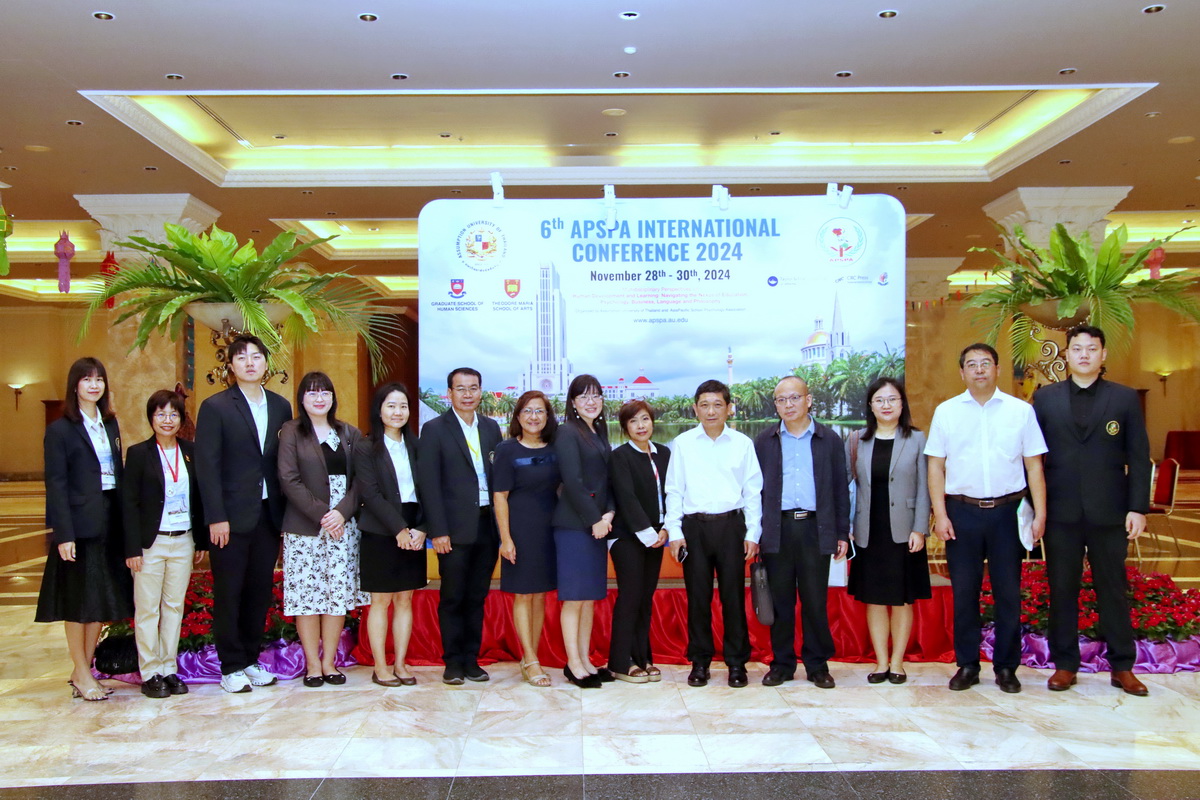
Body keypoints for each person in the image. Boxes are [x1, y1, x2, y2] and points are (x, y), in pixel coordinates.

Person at [1032, 325, 1151, 697]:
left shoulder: (1124, 398)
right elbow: (1032, 459)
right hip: (1060, 512)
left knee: (1113, 589)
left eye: (1091, 348)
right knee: (1062, 589)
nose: (1084, 354)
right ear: (1066, 354)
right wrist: (1035, 509)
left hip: (1109, 512)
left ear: (1103, 354)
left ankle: (1122, 666)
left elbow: (1139, 457)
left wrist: (1137, 507)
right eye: (1077, 348)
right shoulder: (1045, 399)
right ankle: (1065, 664)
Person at [926, 343, 1047, 694]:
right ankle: (967, 664)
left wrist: (1040, 514)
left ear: (997, 368)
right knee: (965, 592)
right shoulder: (946, 412)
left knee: (1008, 593)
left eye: (985, 363)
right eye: (971, 364)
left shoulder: (1020, 411)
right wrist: (940, 514)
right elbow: (935, 466)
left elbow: (1034, 466)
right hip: (961, 512)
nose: (979, 370)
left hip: (1008, 513)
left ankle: (1007, 667)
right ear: (962, 372)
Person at [195, 334, 292, 694]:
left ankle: (251, 659)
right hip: (230, 518)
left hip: (268, 514)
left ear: (266, 364)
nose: (250, 363)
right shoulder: (216, 406)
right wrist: (215, 516)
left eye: (256, 357)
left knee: (259, 591)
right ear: (231, 366)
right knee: (229, 591)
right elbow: (207, 467)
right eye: (241, 357)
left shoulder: (281, 406)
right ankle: (231, 665)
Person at [35, 357, 133, 701]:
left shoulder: (110, 424)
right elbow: (56, 484)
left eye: (99, 379)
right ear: (74, 385)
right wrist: (63, 534)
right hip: (79, 525)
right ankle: (80, 669)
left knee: (99, 600)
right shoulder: (60, 429)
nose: (94, 385)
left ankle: (84, 671)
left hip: (109, 519)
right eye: (87, 379)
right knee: (78, 602)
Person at [754, 376, 850, 689]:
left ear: (808, 400)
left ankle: (817, 664)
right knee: (780, 601)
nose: (788, 405)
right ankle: (782, 664)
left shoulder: (829, 439)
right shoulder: (764, 440)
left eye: (795, 398)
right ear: (776, 405)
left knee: (814, 600)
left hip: (814, 528)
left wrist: (842, 532)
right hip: (777, 528)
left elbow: (840, 488)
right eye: (781, 400)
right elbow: (753, 491)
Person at [665, 379, 762, 689]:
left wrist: (753, 532)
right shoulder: (683, 443)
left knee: (733, 597)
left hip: (732, 527)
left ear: (729, 408)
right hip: (694, 528)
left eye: (717, 405)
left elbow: (753, 491)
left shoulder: (742, 444)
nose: (711, 411)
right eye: (704, 405)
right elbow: (674, 490)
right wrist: (675, 530)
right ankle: (700, 662)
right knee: (698, 598)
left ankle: (736, 663)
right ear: (695, 409)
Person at [278, 372, 369, 687]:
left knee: (336, 596)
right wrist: (323, 515)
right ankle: (313, 665)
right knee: (307, 598)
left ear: (333, 397)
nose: (319, 398)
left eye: (325, 392)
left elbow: (361, 480)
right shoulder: (291, 431)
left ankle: (330, 662)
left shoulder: (349, 432)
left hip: (343, 528)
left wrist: (341, 513)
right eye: (312, 393)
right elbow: (288, 478)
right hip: (305, 528)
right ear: (302, 398)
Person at [417, 367, 502, 685]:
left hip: (487, 525)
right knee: (453, 596)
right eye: (461, 388)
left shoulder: (491, 428)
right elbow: (429, 484)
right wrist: (438, 531)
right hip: (452, 529)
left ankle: (471, 660)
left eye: (473, 388)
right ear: (449, 393)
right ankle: (452, 662)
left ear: (481, 392)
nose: (468, 394)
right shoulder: (434, 429)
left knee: (477, 596)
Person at [845, 377, 931, 685]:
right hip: (868, 531)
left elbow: (925, 488)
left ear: (902, 404)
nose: (886, 405)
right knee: (875, 599)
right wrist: (846, 527)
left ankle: (898, 663)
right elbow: (844, 486)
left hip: (905, 532)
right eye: (879, 400)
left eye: (892, 399)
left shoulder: (917, 439)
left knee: (902, 599)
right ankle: (881, 662)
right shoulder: (856, 440)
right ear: (870, 406)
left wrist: (920, 528)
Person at [122, 389, 206, 698]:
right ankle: (150, 672)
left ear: (181, 419)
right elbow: (129, 504)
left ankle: (169, 668)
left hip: (183, 540)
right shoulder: (139, 453)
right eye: (161, 414)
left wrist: (201, 540)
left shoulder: (191, 452)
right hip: (151, 544)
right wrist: (132, 548)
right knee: (147, 609)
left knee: (173, 606)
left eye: (173, 414)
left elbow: (199, 498)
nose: (167, 420)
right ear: (151, 418)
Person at [355, 382, 427, 687]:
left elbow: (429, 491)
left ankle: (400, 662)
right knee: (381, 600)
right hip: (380, 529)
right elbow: (370, 494)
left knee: (405, 599)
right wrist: (398, 529)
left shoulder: (417, 446)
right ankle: (380, 666)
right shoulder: (366, 447)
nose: (398, 412)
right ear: (379, 410)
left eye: (403, 406)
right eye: (391, 406)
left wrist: (422, 528)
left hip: (414, 526)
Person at [493, 390, 560, 688]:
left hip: (549, 530)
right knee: (523, 594)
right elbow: (500, 496)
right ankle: (531, 659)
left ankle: (530, 658)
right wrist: (505, 538)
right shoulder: (507, 450)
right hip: (519, 529)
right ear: (518, 416)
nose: (534, 417)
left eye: (540, 411)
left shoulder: (556, 447)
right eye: (528, 411)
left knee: (540, 594)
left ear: (548, 416)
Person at [553, 375, 615, 689]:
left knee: (589, 598)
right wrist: (595, 520)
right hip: (574, 527)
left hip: (598, 525)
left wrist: (610, 513)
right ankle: (573, 664)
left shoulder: (598, 431)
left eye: (596, 396)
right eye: (584, 396)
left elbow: (608, 479)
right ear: (573, 402)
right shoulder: (567, 432)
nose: (591, 402)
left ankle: (586, 660)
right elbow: (572, 482)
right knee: (574, 598)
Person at [607, 399, 670, 683]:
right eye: (633, 421)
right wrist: (648, 534)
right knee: (630, 596)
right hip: (627, 536)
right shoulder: (620, 456)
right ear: (625, 428)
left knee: (645, 597)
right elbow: (626, 498)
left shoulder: (664, 453)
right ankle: (621, 662)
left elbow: (672, 493)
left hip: (657, 535)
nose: (641, 426)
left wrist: (666, 530)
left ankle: (643, 657)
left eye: (645, 419)